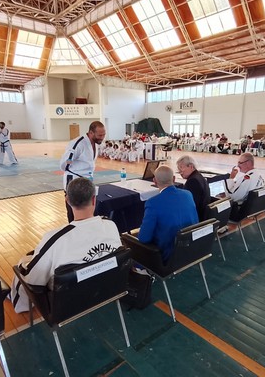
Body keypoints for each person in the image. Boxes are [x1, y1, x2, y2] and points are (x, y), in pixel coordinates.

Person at [10, 177, 122, 313]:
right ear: (94, 199)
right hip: (105, 288)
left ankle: (21, 305)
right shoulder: (110, 225)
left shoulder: (56, 239)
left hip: (69, 301)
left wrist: (22, 267)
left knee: (24, 263)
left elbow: (32, 278)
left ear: (67, 201)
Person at [138, 165, 198, 262]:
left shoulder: (152, 203)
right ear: (174, 179)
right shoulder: (188, 194)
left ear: (155, 181)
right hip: (191, 247)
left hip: (168, 254)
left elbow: (144, 238)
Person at [59, 121, 106, 222]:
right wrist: (73, 174)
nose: (102, 137)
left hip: (87, 180)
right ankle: (73, 232)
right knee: (73, 212)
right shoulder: (78, 143)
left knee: (87, 210)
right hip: (74, 181)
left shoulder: (95, 143)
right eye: (99, 135)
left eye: (103, 135)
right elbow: (64, 164)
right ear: (91, 132)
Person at [176, 155, 210, 221]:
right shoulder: (198, 176)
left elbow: (189, 205)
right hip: (203, 214)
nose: (180, 172)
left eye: (181, 168)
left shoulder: (193, 181)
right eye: (178, 169)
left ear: (191, 166)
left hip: (197, 218)